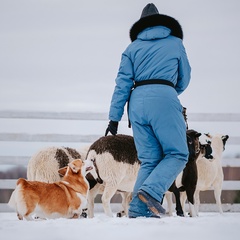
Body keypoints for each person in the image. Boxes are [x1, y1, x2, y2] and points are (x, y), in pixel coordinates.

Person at [105, 3, 191, 218]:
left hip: (136, 103)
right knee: (178, 153)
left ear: (141, 26)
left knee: (150, 159)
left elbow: (122, 83)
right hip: (164, 96)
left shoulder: (131, 49)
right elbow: (185, 77)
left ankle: (137, 209)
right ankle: (151, 191)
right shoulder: (175, 43)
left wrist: (114, 117)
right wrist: (168, 91)